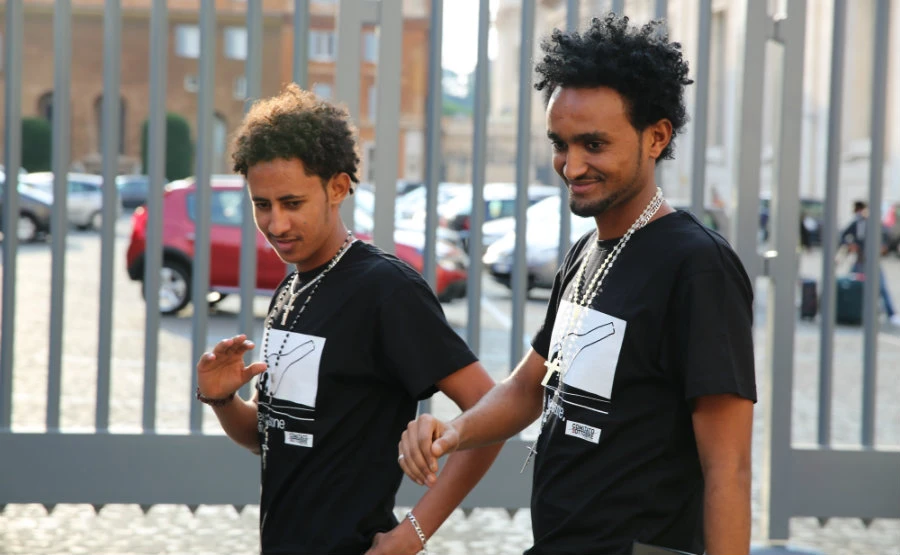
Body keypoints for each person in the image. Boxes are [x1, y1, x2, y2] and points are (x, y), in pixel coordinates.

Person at [398, 14, 756, 555]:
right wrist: (454, 432)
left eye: (594, 144)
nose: (571, 165)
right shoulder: (586, 254)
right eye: (560, 143)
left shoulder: (697, 267)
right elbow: (526, 389)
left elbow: (728, 467)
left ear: (656, 137)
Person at [194, 84, 501, 555]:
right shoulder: (291, 289)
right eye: (262, 205)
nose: (276, 224)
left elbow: (491, 413)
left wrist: (411, 536)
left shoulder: (386, 290)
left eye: (292, 203)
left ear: (337, 188)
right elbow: (269, 435)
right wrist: (221, 400)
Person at [840, 200, 900, 325]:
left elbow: (885, 237)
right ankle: (853, 309)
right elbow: (843, 235)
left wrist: (883, 247)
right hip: (860, 260)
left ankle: (891, 314)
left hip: (872, 260)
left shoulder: (873, 223)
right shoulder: (856, 223)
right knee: (851, 284)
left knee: (881, 287)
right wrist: (850, 244)